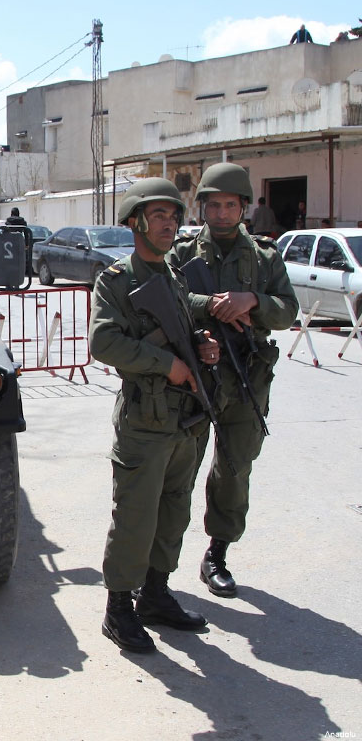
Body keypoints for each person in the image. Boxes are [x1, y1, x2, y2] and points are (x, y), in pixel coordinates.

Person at [90, 177, 219, 654]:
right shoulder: (117, 280)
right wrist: (168, 363)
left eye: (174, 215)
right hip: (146, 419)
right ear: (134, 222)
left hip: (185, 417)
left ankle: (156, 594)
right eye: (159, 216)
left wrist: (202, 345)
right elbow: (104, 342)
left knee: (174, 510)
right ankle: (119, 608)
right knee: (136, 517)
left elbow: (185, 326)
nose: (170, 224)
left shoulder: (173, 275)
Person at [167, 162, 298, 599]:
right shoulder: (183, 254)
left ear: (244, 207)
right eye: (213, 205)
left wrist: (251, 300)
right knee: (177, 472)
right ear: (201, 207)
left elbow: (286, 310)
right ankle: (159, 566)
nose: (221, 214)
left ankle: (217, 554)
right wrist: (211, 305)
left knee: (235, 468)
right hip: (195, 378)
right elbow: (164, 297)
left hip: (247, 378)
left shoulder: (264, 257)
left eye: (229, 205)